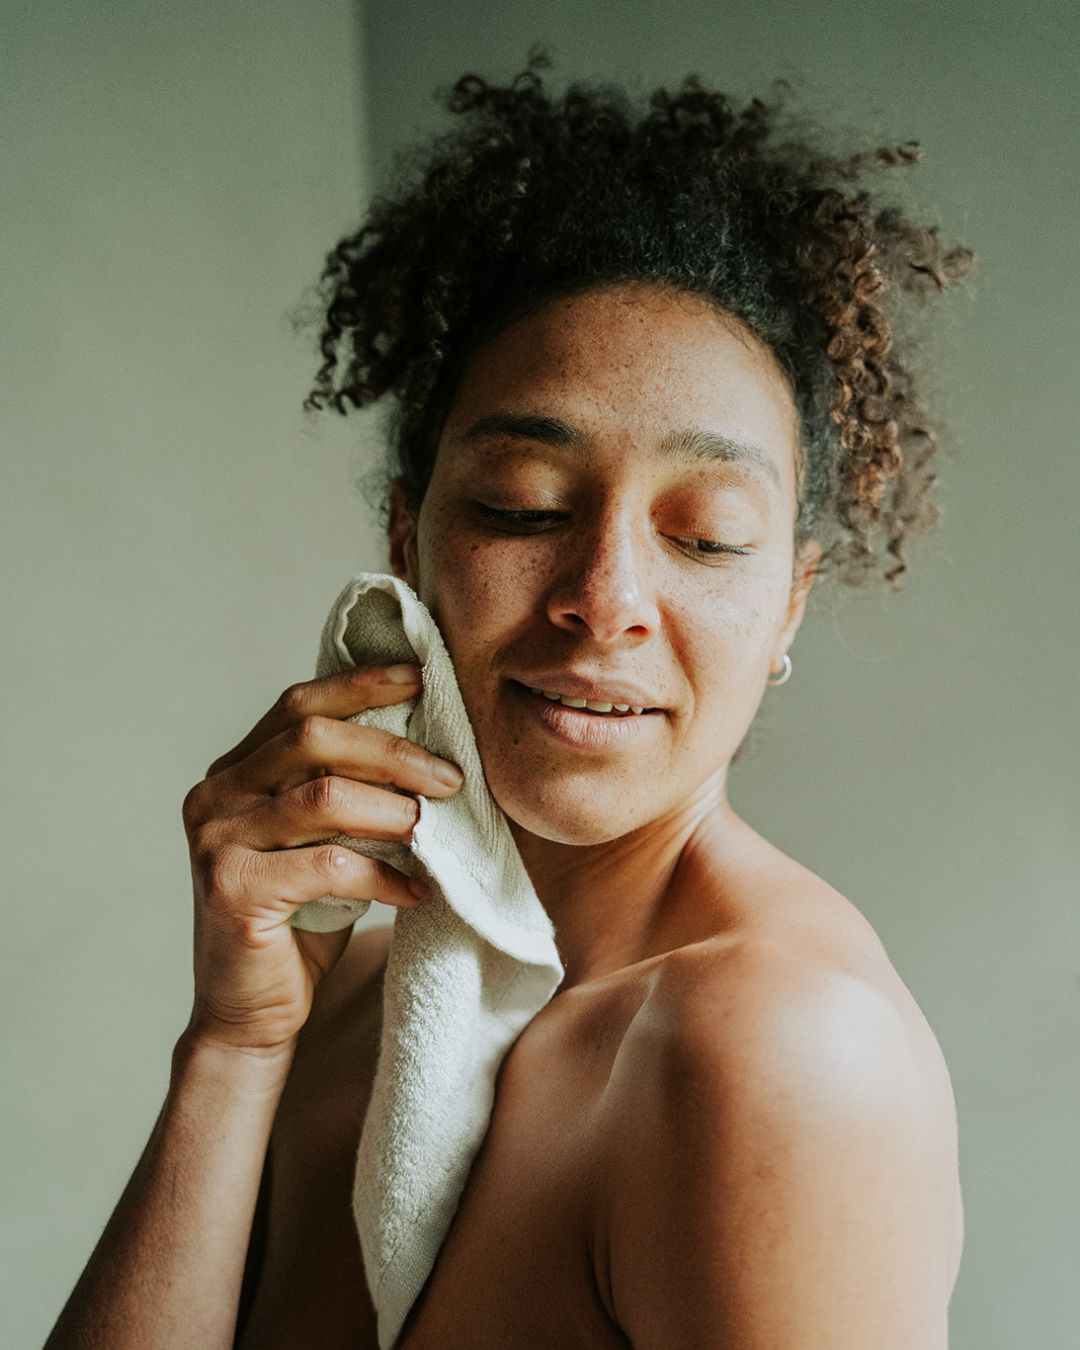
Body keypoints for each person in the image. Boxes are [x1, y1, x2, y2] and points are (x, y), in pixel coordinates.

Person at [46, 55, 972, 1350]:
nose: (606, 599)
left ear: (790, 606)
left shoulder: (773, 1054)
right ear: (407, 538)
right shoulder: (351, 985)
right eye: (523, 505)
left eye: (705, 534)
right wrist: (232, 1047)